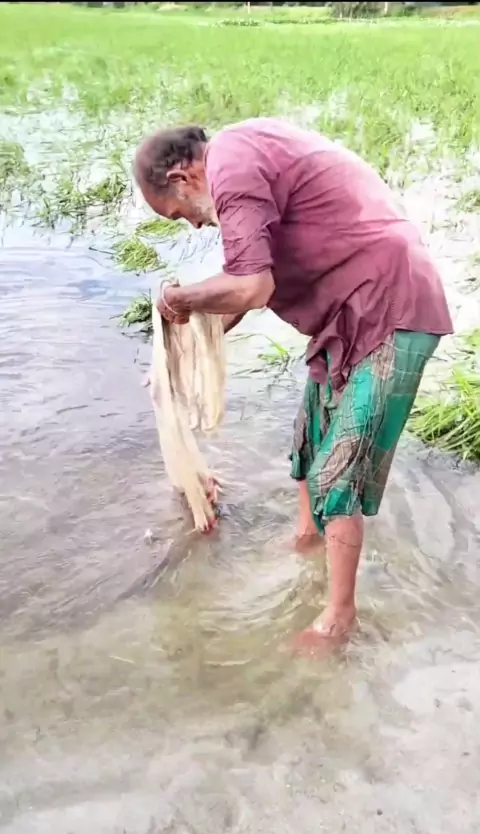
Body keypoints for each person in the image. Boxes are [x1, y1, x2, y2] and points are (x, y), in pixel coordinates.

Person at [133, 118, 453, 642]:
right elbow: (242, 291)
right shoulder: (242, 157)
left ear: (181, 177)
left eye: (177, 214)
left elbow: (251, 287)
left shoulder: (231, 161)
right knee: (309, 444)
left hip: (392, 306)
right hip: (347, 313)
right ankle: (307, 538)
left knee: (338, 471)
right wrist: (171, 362)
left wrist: (180, 297)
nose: (192, 226)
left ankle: (339, 617)